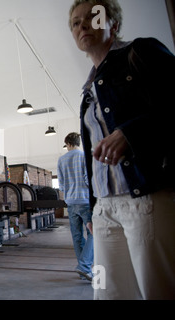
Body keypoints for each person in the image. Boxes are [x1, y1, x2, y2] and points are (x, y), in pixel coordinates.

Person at [69, 0, 175, 299]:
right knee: (107, 292)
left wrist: (131, 132)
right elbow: (93, 161)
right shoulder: (87, 91)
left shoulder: (140, 53)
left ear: (113, 23)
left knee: (158, 290)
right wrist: (92, 208)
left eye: (92, 17)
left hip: (145, 198)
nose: (82, 25)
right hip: (105, 209)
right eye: (76, 22)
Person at [57, 132, 94, 282]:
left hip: (71, 202)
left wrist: (68, 194)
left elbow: (61, 183)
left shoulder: (61, 159)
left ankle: (83, 270)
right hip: (85, 200)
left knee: (77, 236)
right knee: (94, 233)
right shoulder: (84, 156)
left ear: (68, 143)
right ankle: (84, 267)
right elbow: (87, 179)